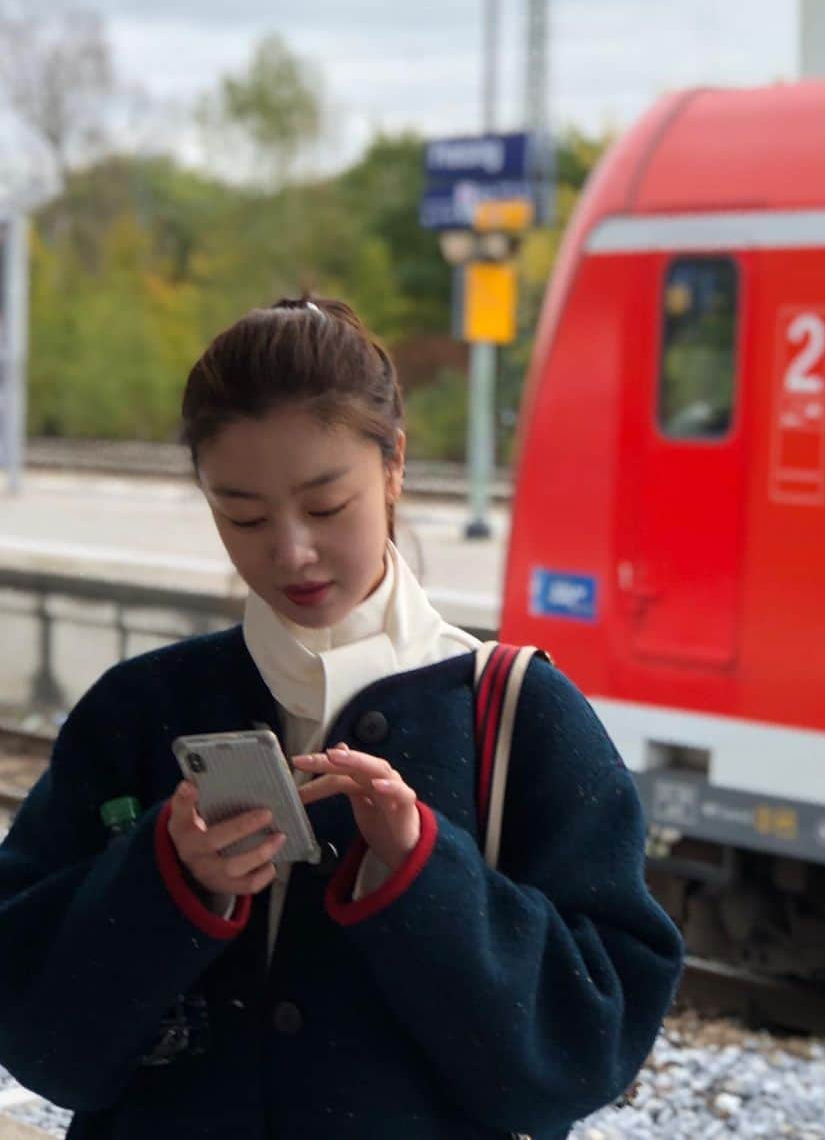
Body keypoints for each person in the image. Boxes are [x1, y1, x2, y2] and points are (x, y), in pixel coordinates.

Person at [0, 296, 683, 1139]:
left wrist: (422, 872)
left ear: (394, 463)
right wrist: (166, 878)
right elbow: (39, 1041)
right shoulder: (138, 711)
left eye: (325, 506)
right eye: (241, 514)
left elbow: (587, 1054)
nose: (289, 550)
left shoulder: (519, 715)